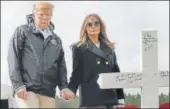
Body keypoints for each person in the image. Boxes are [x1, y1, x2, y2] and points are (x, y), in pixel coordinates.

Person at [7, 2, 74, 108]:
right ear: (34, 15)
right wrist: (18, 85)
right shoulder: (23, 31)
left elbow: (61, 67)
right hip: (26, 91)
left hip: (48, 93)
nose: (44, 17)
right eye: (41, 14)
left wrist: (64, 87)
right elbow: (13, 58)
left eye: (48, 15)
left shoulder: (56, 40)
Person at [66, 13, 125, 108]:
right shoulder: (79, 48)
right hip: (92, 99)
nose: (93, 26)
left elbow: (116, 73)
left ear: (100, 26)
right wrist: (70, 90)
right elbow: (77, 73)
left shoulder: (109, 47)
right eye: (89, 24)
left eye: (96, 23)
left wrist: (120, 99)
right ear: (85, 28)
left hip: (111, 99)